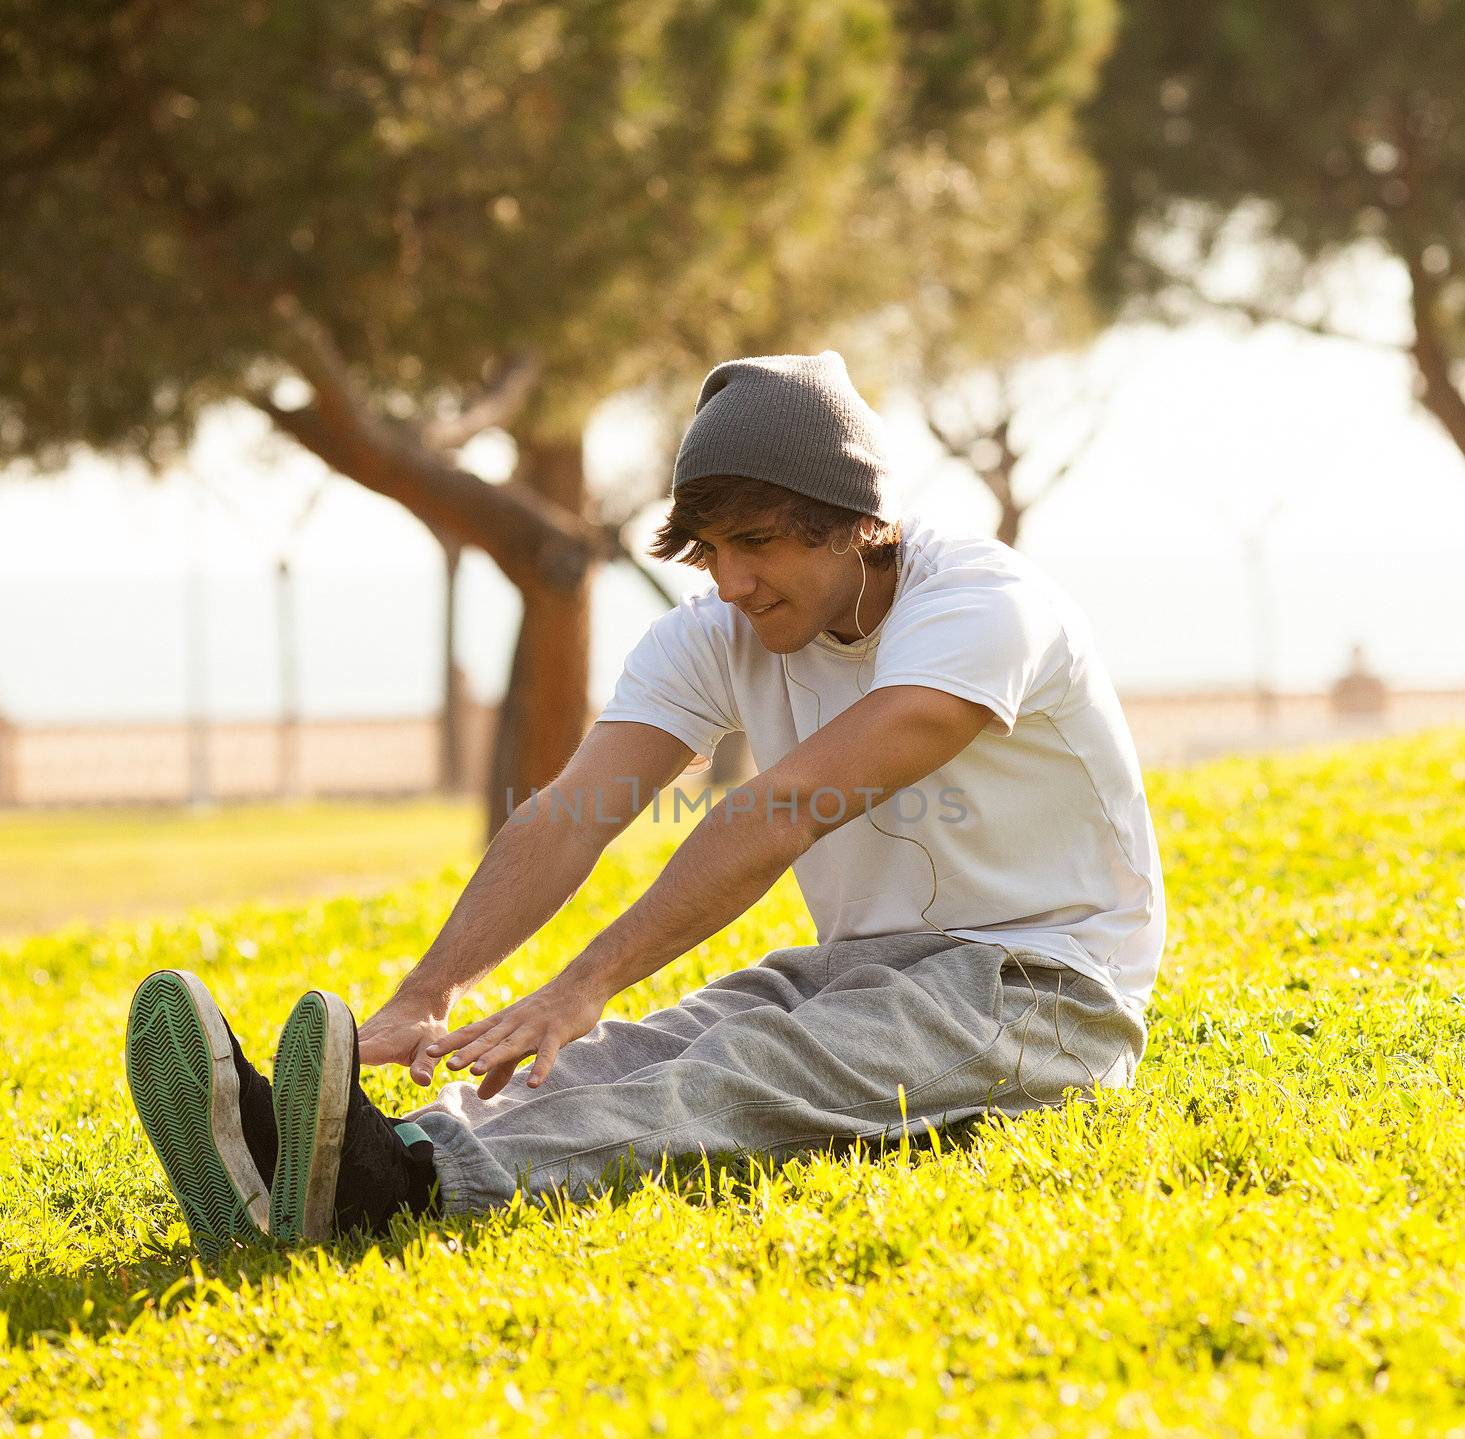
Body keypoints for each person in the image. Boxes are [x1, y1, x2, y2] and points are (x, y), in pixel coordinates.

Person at [125, 350, 1166, 1255]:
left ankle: (396, 1183)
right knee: (646, 1047)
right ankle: (301, 1156)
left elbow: (779, 809)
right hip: (859, 967)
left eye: (758, 542)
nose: (731, 582)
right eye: (710, 551)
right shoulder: (719, 631)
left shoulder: (981, 610)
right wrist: (430, 989)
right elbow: (572, 811)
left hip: (1044, 992)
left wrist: (581, 981)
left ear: (859, 523)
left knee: (749, 1070)